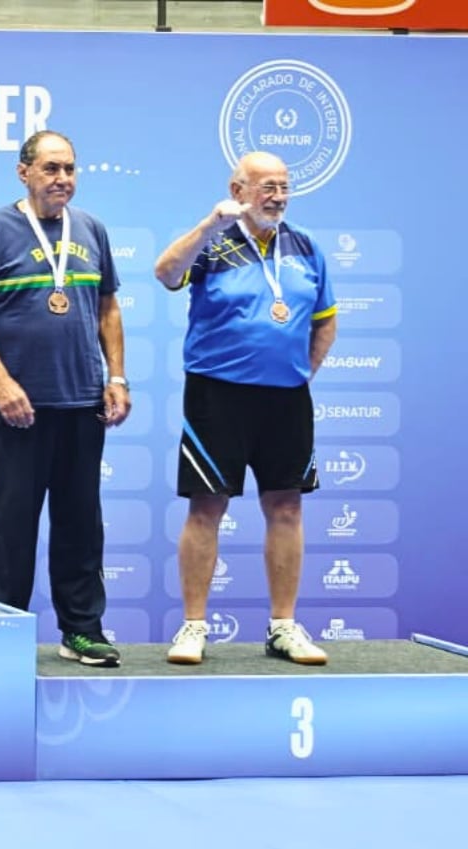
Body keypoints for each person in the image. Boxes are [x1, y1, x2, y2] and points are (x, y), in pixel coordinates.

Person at [0, 130, 130, 667]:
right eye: (51, 169)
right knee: (11, 526)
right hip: (18, 407)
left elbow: (108, 309)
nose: (62, 180)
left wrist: (117, 378)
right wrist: (2, 384)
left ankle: (82, 630)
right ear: (23, 172)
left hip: (82, 402)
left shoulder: (91, 228)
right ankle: (0, 631)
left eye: (70, 169)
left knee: (81, 523)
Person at [153, 151, 337, 666]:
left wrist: (300, 374)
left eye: (283, 186)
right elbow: (166, 273)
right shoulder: (213, 243)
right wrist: (210, 224)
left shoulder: (304, 247)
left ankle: (283, 627)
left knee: (287, 507)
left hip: (286, 399)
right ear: (239, 190)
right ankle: (193, 628)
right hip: (218, 396)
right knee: (206, 507)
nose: (276, 196)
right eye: (266, 187)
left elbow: (325, 321)